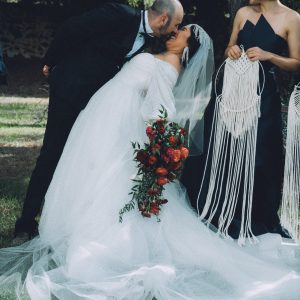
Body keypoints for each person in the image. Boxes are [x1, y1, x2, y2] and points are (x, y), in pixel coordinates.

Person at [0, 24, 299, 300]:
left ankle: (98, 237)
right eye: (179, 27)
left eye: (181, 32)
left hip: (123, 125)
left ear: (186, 48)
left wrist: (155, 138)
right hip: (106, 119)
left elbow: (158, 108)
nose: (176, 31)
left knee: (110, 182)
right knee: (92, 173)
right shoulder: (157, 54)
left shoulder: (171, 64)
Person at [13, 0, 184, 242]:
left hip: (98, 105)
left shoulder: (151, 41)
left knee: (81, 158)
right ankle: (26, 222)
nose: (176, 30)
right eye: (176, 24)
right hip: (70, 92)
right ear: (163, 19)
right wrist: (52, 63)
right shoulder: (120, 14)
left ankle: (70, 219)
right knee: (53, 152)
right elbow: (72, 29)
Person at [197, 0, 300, 239]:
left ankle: (256, 215)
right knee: (225, 147)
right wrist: (230, 51)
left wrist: (269, 55)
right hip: (231, 91)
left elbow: (296, 63)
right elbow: (227, 50)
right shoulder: (243, 13)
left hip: (263, 95)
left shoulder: (292, 18)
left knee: (261, 152)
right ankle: (221, 208)